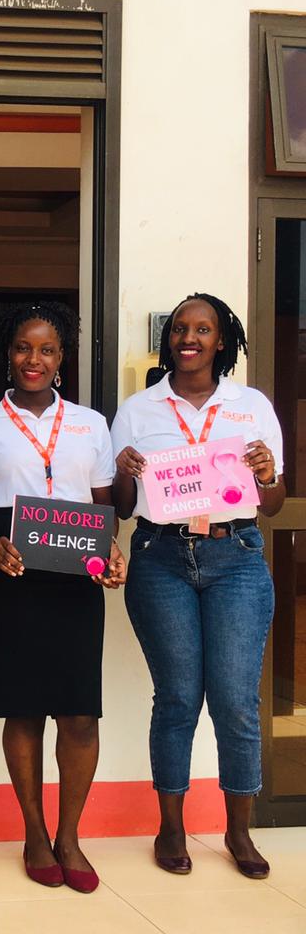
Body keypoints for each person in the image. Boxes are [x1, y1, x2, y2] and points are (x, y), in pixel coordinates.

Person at [112, 293, 284, 878]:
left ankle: (239, 832)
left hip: (234, 556)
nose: (189, 337)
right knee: (179, 698)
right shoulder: (139, 409)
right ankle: (172, 829)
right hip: (161, 558)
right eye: (181, 328)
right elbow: (123, 505)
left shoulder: (251, 405)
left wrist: (265, 474)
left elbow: (275, 502)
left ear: (220, 340)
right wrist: (124, 473)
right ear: (170, 339)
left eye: (203, 329)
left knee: (236, 702)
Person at [0, 301, 125, 893]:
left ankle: (70, 836)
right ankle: (34, 833)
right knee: (24, 708)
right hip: (12, 581)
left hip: (76, 580)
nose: (35, 359)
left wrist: (110, 551)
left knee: (80, 711)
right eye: (25, 348)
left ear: (62, 358)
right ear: (9, 353)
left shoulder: (91, 424)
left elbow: (104, 506)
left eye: (47, 349)